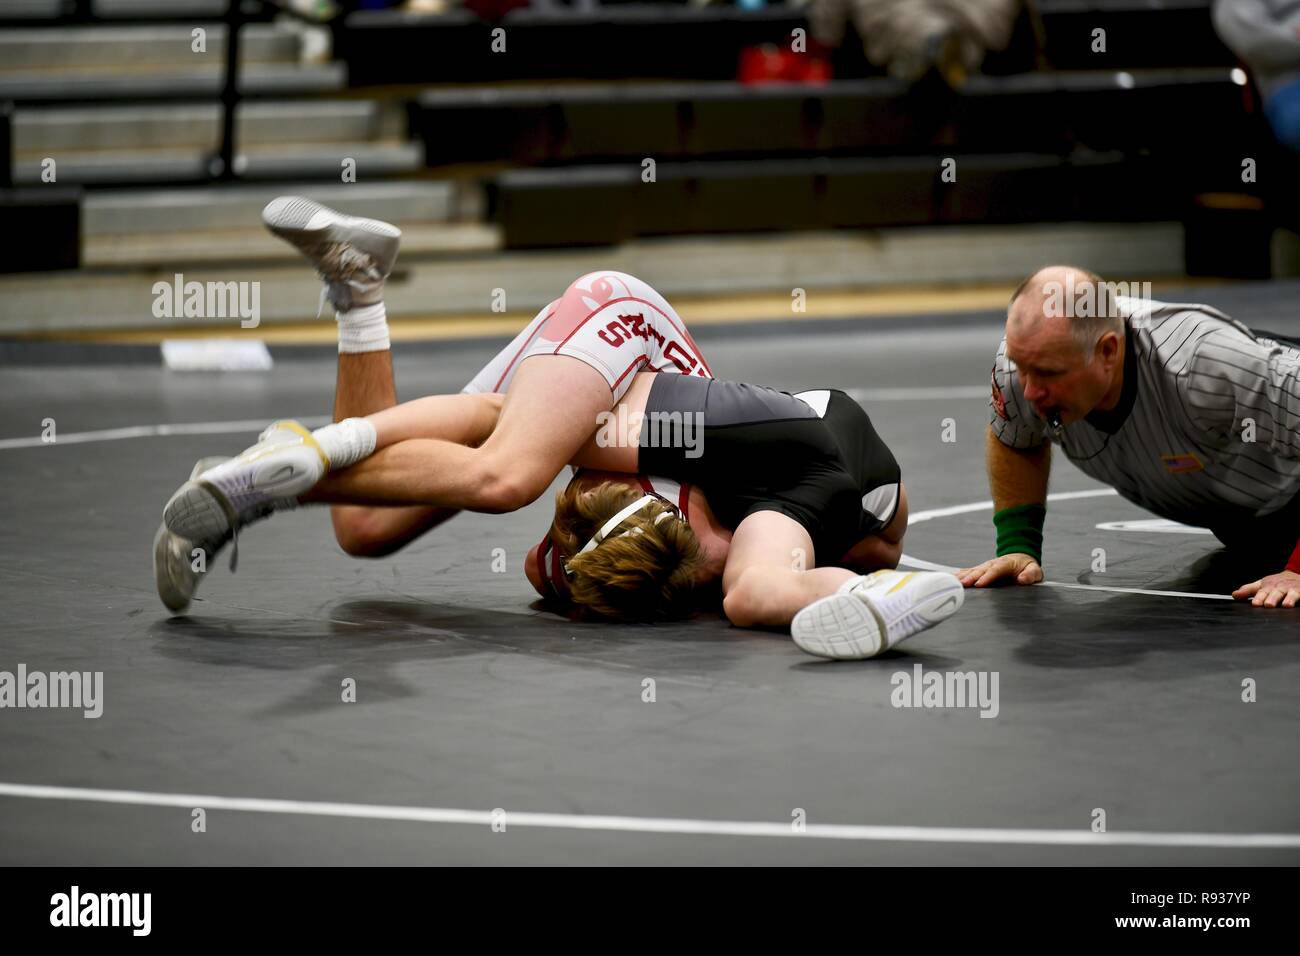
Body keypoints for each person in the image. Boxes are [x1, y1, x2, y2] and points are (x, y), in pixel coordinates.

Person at [155, 197, 963, 658]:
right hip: (622, 322)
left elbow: (793, 573)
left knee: (365, 529)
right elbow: (483, 416)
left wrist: (927, 579)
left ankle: (359, 292)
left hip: (819, 486)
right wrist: (317, 455)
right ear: (671, 506)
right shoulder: (683, 443)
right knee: (508, 473)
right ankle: (259, 483)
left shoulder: (726, 556)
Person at [957, 264, 1300, 608]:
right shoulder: (1024, 364)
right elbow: (1015, 437)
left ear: (1108, 351)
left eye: (1047, 374)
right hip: (1246, 522)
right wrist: (1018, 545)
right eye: (1021, 367)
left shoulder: (1202, 362)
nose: (1030, 391)